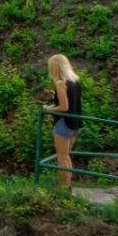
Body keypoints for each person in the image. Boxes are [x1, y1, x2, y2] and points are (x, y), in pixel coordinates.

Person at [46, 54, 83, 190]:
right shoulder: (75, 81)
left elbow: (64, 107)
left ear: (55, 68)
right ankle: (67, 186)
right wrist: (55, 95)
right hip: (76, 123)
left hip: (64, 124)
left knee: (61, 158)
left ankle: (62, 187)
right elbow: (73, 100)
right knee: (67, 157)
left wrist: (48, 109)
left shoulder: (60, 83)